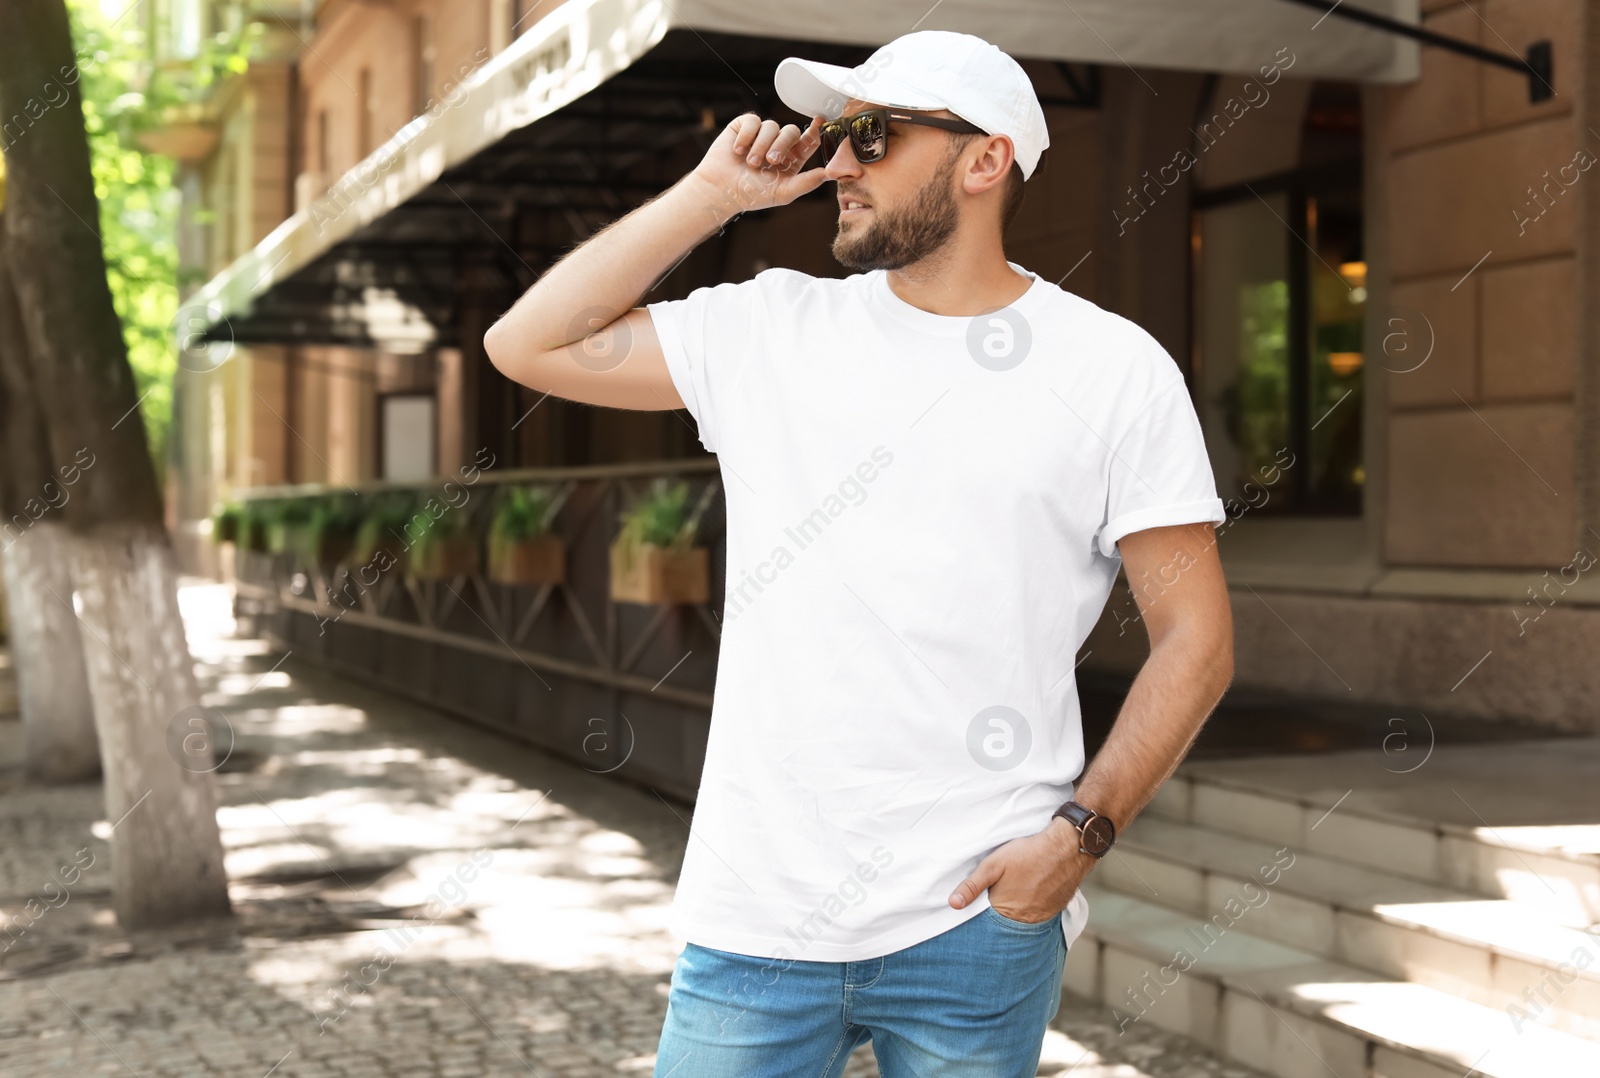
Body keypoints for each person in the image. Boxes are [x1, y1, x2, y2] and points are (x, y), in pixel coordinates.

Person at [484, 28, 1234, 1078]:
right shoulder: (771, 330)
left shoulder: (1112, 371)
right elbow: (526, 346)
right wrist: (709, 198)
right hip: (756, 919)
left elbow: (1194, 640)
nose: (837, 161)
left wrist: (1076, 838)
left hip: (977, 920)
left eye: (872, 135)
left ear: (984, 162)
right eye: (837, 133)